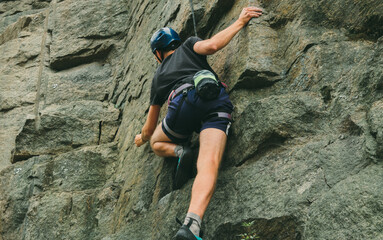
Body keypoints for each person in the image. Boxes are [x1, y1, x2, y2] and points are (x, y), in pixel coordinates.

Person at [135, 6, 263, 240]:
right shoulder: (188, 44)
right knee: (209, 163)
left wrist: (141, 139)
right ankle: (191, 224)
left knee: (156, 142)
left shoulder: (158, 76)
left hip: (181, 108)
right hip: (213, 101)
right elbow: (213, 46)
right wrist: (240, 20)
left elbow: (149, 128)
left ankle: (181, 150)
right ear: (176, 42)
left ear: (158, 53)